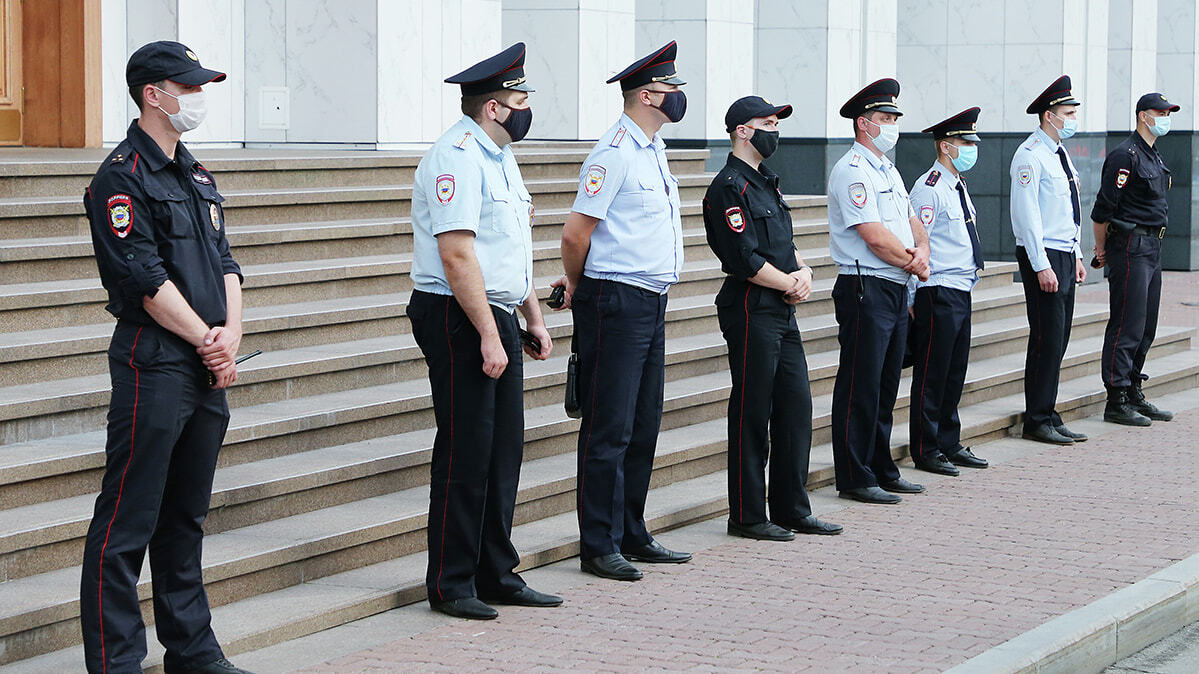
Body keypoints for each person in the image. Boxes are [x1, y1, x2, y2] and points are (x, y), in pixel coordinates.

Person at [79, 41, 254, 674]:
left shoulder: (196, 172)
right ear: (156, 94)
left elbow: (227, 263)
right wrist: (209, 341)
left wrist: (229, 333)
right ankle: (117, 661)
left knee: (185, 519)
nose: (198, 97)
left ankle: (192, 650)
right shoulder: (120, 177)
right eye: (190, 87)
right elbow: (145, 280)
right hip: (154, 362)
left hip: (206, 365)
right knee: (127, 523)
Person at [406, 43, 561, 620]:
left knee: (503, 452)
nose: (526, 109)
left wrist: (532, 318)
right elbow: (456, 254)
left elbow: (508, 250)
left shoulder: (499, 156)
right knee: (465, 453)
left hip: (494, 311)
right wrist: (488, 335)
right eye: (520, 100)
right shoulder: (456, 157)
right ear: (494, 107)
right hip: (456, 313)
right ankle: (451, 582)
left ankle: (496, 571)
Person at [551, 41, 691, 582]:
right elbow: (574, 233)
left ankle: (631, 529)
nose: (679, 97)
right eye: (673, 89)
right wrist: (581, 286)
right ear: (650, 94)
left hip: (650, 297)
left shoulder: (651, 149)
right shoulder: (613, 152)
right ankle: (599, 543)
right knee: (608, 426)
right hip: (615, 297)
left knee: (643, 422)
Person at [702, 96, 843, 541]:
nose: (774, 131)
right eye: (766, 123)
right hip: (751, 305)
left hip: (781, 306)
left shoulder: (766, 183)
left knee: (796, 407)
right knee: (752, 412)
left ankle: (791, 507)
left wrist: (802, 273)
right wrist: (788, 283)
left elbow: (785, 242)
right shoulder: (729, 187)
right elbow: (743, 256)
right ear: (743, 130)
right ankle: (747, 514)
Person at [825, 78, 930, 505]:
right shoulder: (852, 170)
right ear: (864, 125)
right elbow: (872, 235)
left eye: (893, 119)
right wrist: (914, 262)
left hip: (895, 286)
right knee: (860, 384)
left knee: (886, 384)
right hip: (865, 285)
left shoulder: (887, 168)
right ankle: (854, 474)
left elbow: (910, 221)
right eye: (885, 119)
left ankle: (881, 465)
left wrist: (921, 250)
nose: (892, 126)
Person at [906, 107, 990, 476]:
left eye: (972, 140)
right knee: (932, 373)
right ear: (945, 146)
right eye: (964, 141)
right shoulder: (929, 188)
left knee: (955, 371)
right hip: (937, 289)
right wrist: (913, 295)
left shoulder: (957, 185)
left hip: (960, 289)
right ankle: (926, 447)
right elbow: (916, 243)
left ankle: (949, 442)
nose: (971, 147)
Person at [1091, 92, 1179, 426]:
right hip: (1129, 245)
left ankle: (1133, 390)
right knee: (1127, 323)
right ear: (1143, 115)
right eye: (1160, 112)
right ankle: (1116, 398)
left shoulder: (1152, 154)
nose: (1165, 117)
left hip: (1152, 247)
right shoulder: (1123, 156)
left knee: (1146, 325)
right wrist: (1101, 251)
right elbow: (1102, 210)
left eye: (1168, 112)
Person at [1010, 75, 1088, 445]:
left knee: (1060, 337)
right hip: (1042, 253)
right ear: (1048, 115)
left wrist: (1077, 254)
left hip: (1063, 252)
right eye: (1068, 113)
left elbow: (1069, 210)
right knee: (1046, 336)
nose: (1073, 118)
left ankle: (1048, 410)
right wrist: (1041, 264)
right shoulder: (1030, 156)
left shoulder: (1060, 153)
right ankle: (1036, 418)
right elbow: (1027, 216)